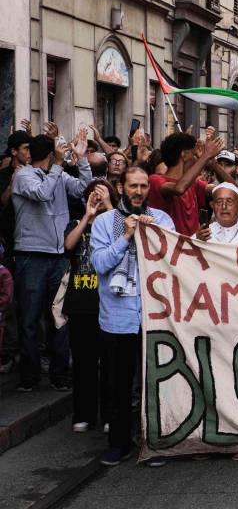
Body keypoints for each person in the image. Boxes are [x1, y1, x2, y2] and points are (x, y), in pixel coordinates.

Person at [90, 167, 175, 466]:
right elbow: (99, 263)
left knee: (155, 383)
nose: (138, 192)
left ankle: (153, 443)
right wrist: (126, 236)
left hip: (155, 316)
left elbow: (174, 263)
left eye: (143, 186)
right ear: (121, 188)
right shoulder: (104, 222)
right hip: (118, 318)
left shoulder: (162, 220)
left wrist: (155, 237)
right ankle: (119, 444)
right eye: (133, 186)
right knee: (118, 385)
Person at [12, 130, 92, 391]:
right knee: (30, 318)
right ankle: (29, 376)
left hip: (58, 257)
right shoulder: (22, 175)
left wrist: (82, 160)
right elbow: (42, 193)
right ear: (49, 154)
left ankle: (60, 374)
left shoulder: (59, 174)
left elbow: (84, 189)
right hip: (31, 255)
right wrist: (58, 164)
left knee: (59, 316)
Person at [64, 180, 117, 433]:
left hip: (109, 304)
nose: (97, 199)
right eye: (93, 195)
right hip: (80, 304)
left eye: (102, 195)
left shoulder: (116, 222)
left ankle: (109, 415)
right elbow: (68, 245)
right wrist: (87, 217)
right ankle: (83, 414)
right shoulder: (77, 223)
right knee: (83, 364)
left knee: (110, 364)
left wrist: (109, 206)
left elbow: (123, 239)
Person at [148, 132, 225, 236]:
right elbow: (179, 188)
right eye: (195, 154)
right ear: (184, 155)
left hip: (191, 246)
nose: (198, 159)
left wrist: (213, 163)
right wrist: (206, 156)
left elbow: (231, 189)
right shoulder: (155, 180)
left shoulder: (193, 184)